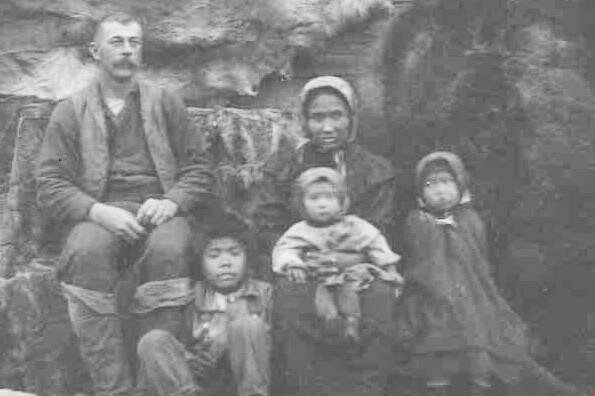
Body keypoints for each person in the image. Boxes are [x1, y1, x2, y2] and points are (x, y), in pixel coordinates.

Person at [36, 12, 214, 396]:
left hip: (160, 211)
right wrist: (98, 211)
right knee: (85, 252)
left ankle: (159, 383)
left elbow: (200, 169)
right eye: (116, 41)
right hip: (100, 212)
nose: (127, 50)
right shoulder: (70, 111)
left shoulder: (166, 103)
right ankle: (112, 388)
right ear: (94, 51)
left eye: (134, 43)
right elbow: (50, 183)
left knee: (171, 247)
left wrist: (172, 201)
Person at [394, 151, 585, 396]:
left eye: (447, 182)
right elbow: (421, 260)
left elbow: (477, 260)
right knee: (434, 342)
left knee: (480, 333)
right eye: (430, 184)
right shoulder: (417, 220)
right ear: (420, 193)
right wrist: (434, 230)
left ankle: (479, 386)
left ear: (460, 185)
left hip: (472, 293)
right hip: (430, 294)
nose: (440, 190)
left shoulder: (471, 219)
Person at [254, 75, 397, 249]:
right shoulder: (281, 168)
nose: (328, 128)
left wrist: (341, 260)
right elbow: (269, 228)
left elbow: (379, 230)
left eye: (336, 116)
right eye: (317, 118)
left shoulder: (375, 171)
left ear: (351, 118)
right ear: (305, 121)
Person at [136, 213, 272, 396]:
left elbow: (267, 345)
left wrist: (228, 339)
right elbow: (178, 345)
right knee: (153, 340)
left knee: (249, 324)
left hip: (243, 378)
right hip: (199, 379)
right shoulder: (191, 295)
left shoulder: (264, 293)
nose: (225, 263)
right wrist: (191, 358)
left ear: (247, 258)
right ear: (200, 262)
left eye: (234, 253)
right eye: (214, 256)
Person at [272, 167, 403, 342]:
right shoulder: (300, 230)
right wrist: (292, 263)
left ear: (342, 201)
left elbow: (375, 243)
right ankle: (331, 320)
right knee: (318, 294)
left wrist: (389, 267)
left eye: (329, 197)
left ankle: (351, 323)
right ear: (302, 204)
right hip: (319, 276)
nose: (322, 204)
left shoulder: (355, 225)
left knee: (350, 290)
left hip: (352, 274)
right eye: (314, 198)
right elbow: (285, 249)